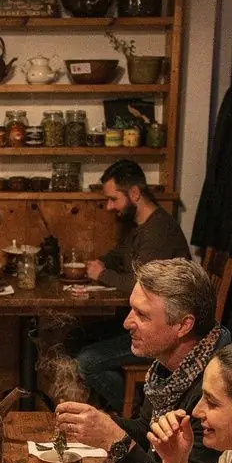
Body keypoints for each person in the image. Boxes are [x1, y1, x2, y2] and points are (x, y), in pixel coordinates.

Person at [56, 259, 229, 463]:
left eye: (142, 315)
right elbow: (147, 428)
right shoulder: (170, 366)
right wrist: (98, 423)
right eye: (131, 310)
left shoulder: (216, 390)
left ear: (183, 325)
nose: (127, 323)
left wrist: (116, 440)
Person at [73, 161, 191, 411]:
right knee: (76, 335)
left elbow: (142, 286)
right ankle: (112, 408)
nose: (109, 206)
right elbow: (120, 254)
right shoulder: (142, 227)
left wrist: (102, 274)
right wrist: (101, 263)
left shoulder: (159, 232)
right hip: (147, 321)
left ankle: (135, 410)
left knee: (86, 361)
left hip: (164, 332)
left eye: (113, 199)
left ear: (135, 193)